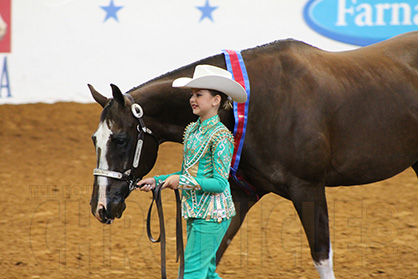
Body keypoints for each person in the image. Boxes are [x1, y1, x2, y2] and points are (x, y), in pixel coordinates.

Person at [137, 64, 247, 278]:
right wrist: (158, 180)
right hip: (196, 211)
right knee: (205, 273)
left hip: (212, 214)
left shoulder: (221, 136)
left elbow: (220, 183)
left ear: (216, 101)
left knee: (192, 273)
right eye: (192, 94)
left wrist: (182, 181)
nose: (192, 99)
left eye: (199, 94)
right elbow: (185, 171)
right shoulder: (192, 131)